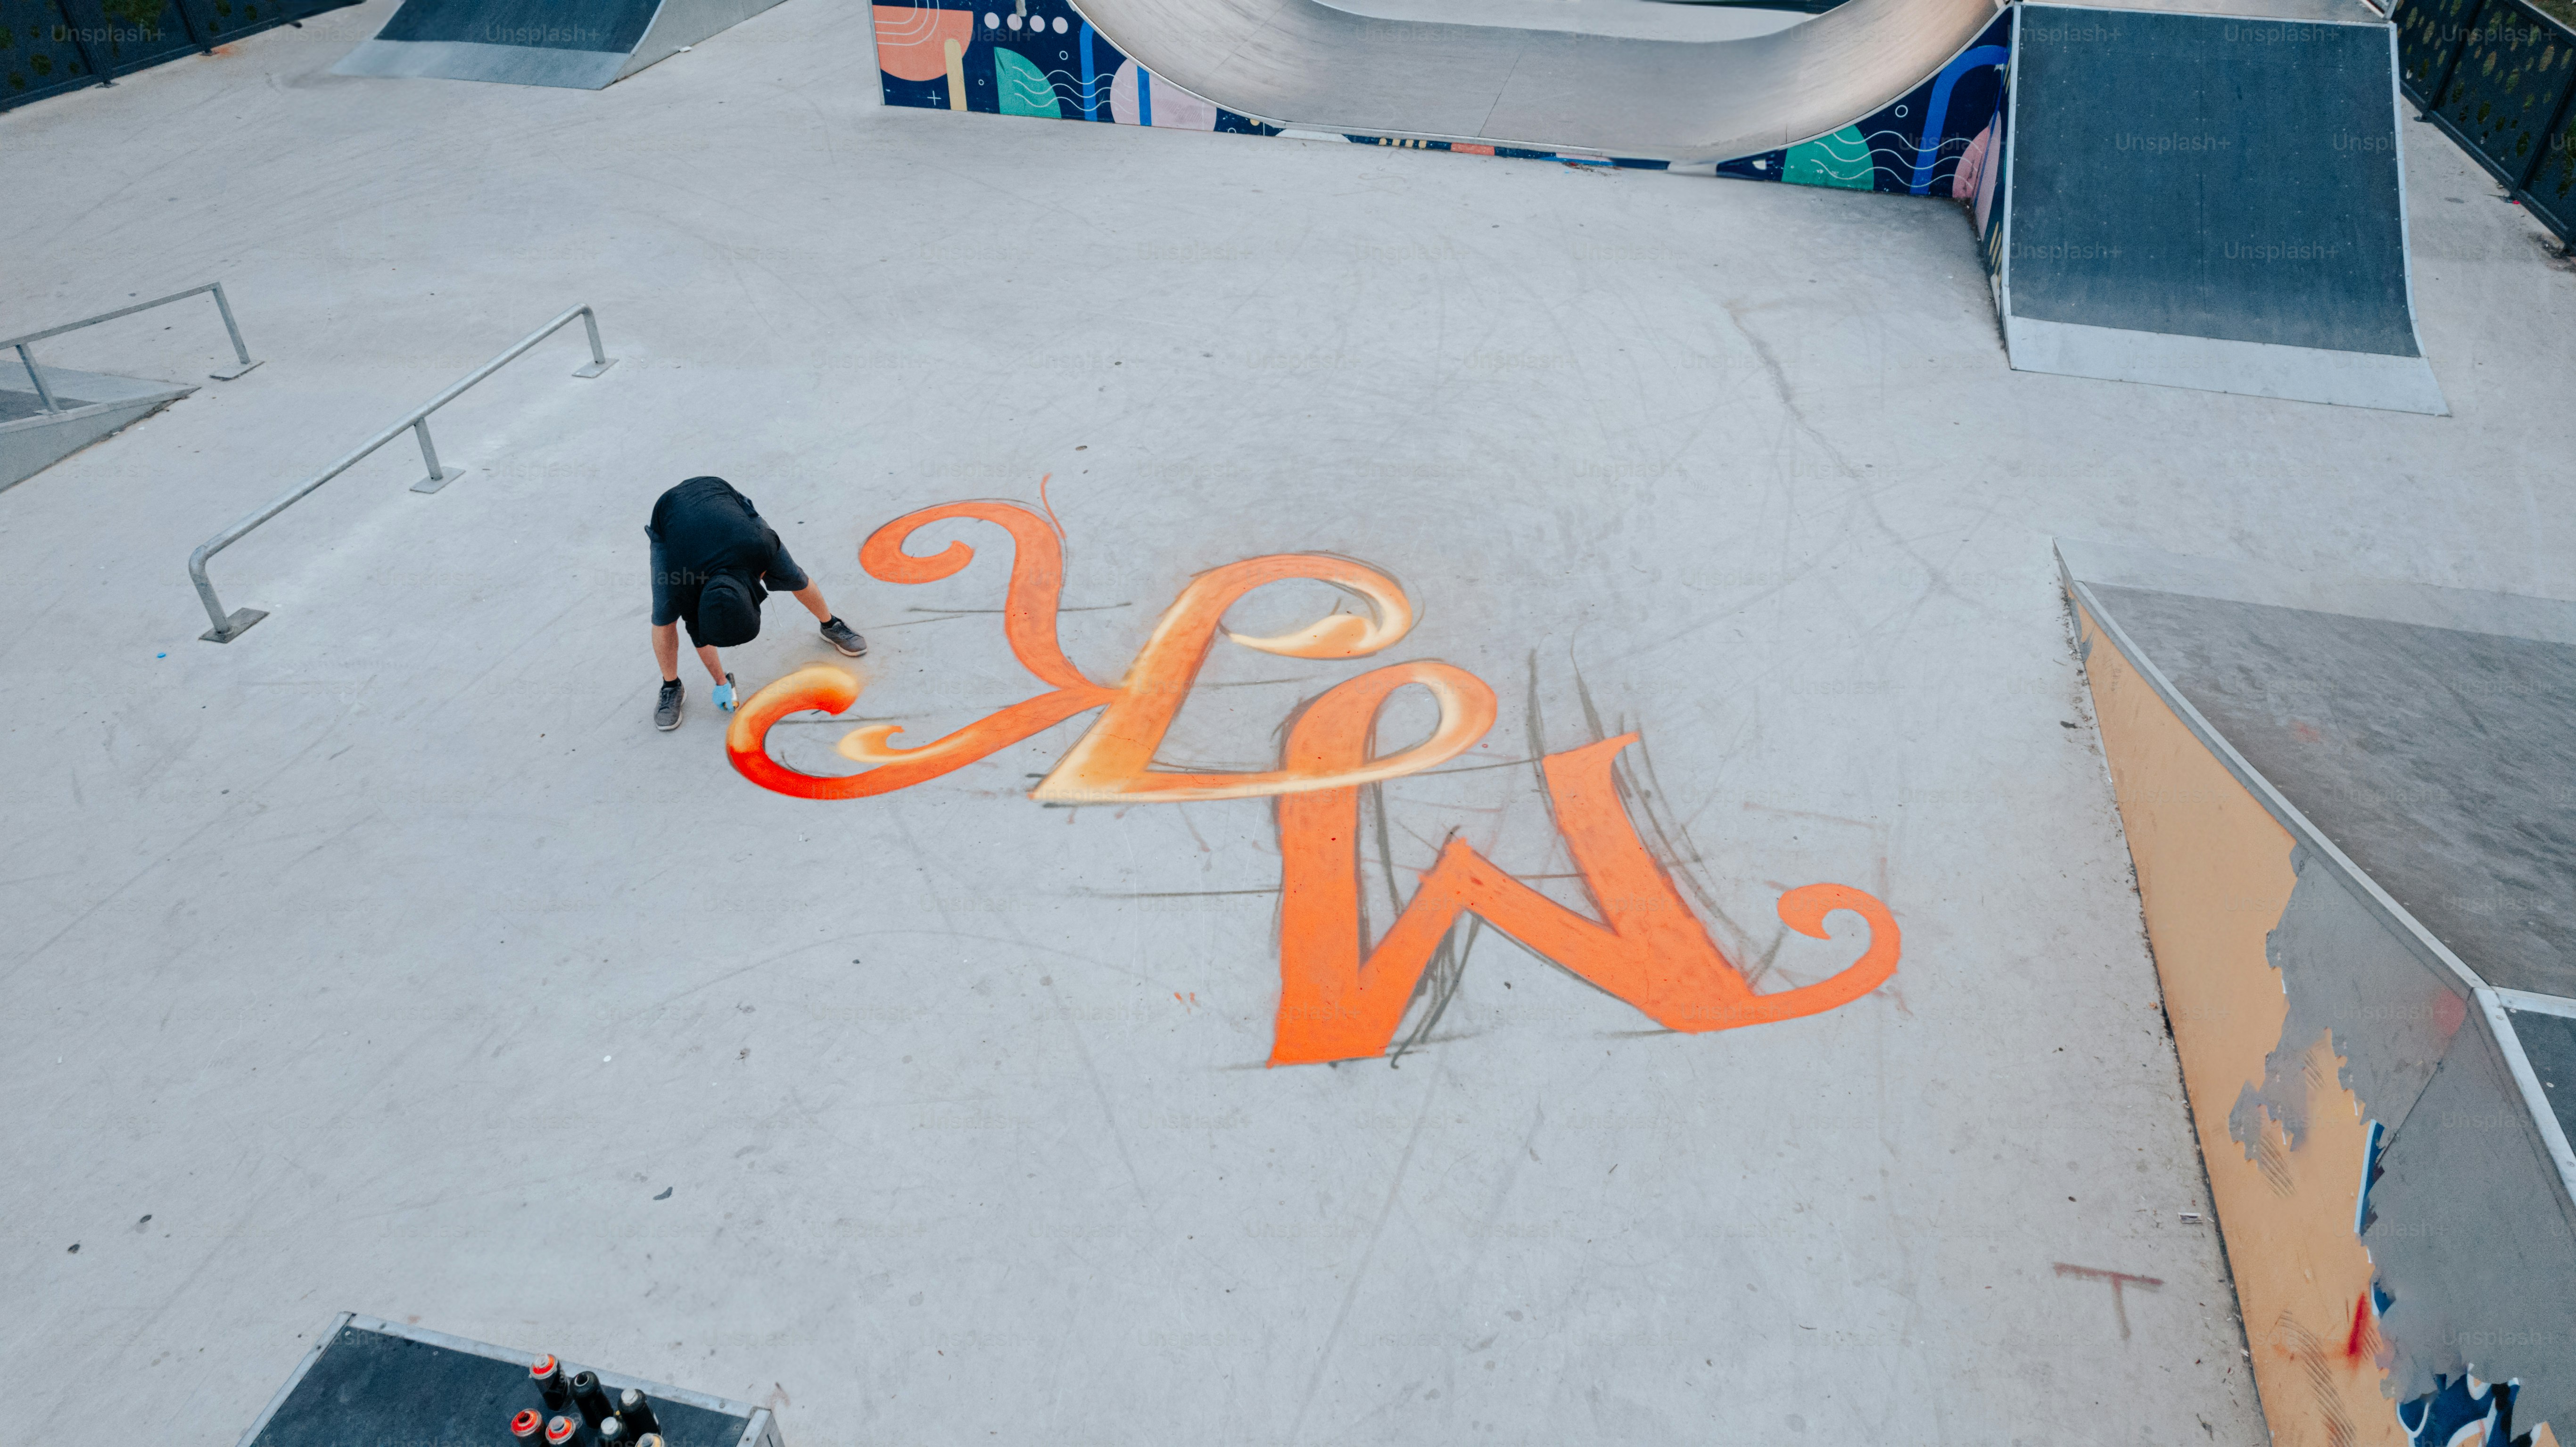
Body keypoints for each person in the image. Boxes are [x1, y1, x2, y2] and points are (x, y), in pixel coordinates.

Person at [648, 476, 865, 730]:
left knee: (795, 576)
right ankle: (671, 686)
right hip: (670, 517)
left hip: (721, 498)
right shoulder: (680, 580)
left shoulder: (760, 545)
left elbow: (780, 573)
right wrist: (722, 683)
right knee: (664, 618)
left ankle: (831, 624)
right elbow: (699, 633)